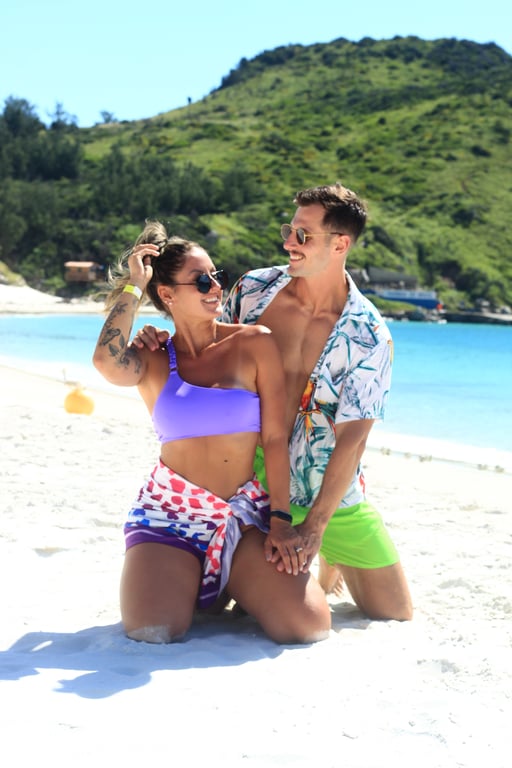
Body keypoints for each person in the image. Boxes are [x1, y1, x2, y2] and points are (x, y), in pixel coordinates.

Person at [132, 183, 413, 622]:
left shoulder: (369, 334)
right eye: (289, 230)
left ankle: (329, 558)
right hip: (249, 488)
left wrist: (315, 528)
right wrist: (159, 338)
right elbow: (203, 345)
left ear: (340, 245)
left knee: (393, 612)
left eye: (303, 235)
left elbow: (353, 440)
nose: (288, 243)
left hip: (324, 492)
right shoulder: (254, 290)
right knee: (219, 603)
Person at [92, 221, 331, 644]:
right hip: (169, 519)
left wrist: (280, 520)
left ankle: (229, 581)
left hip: (241, 518)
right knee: (153, 631)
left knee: (308, 625)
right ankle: (204, 585)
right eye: (201, 281)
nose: (215, 287)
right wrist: (134, 286)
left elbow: (275, 440)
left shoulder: (254, 343)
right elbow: (106, 362)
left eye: (216, 276)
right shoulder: (153, 358)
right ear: (167, 294)